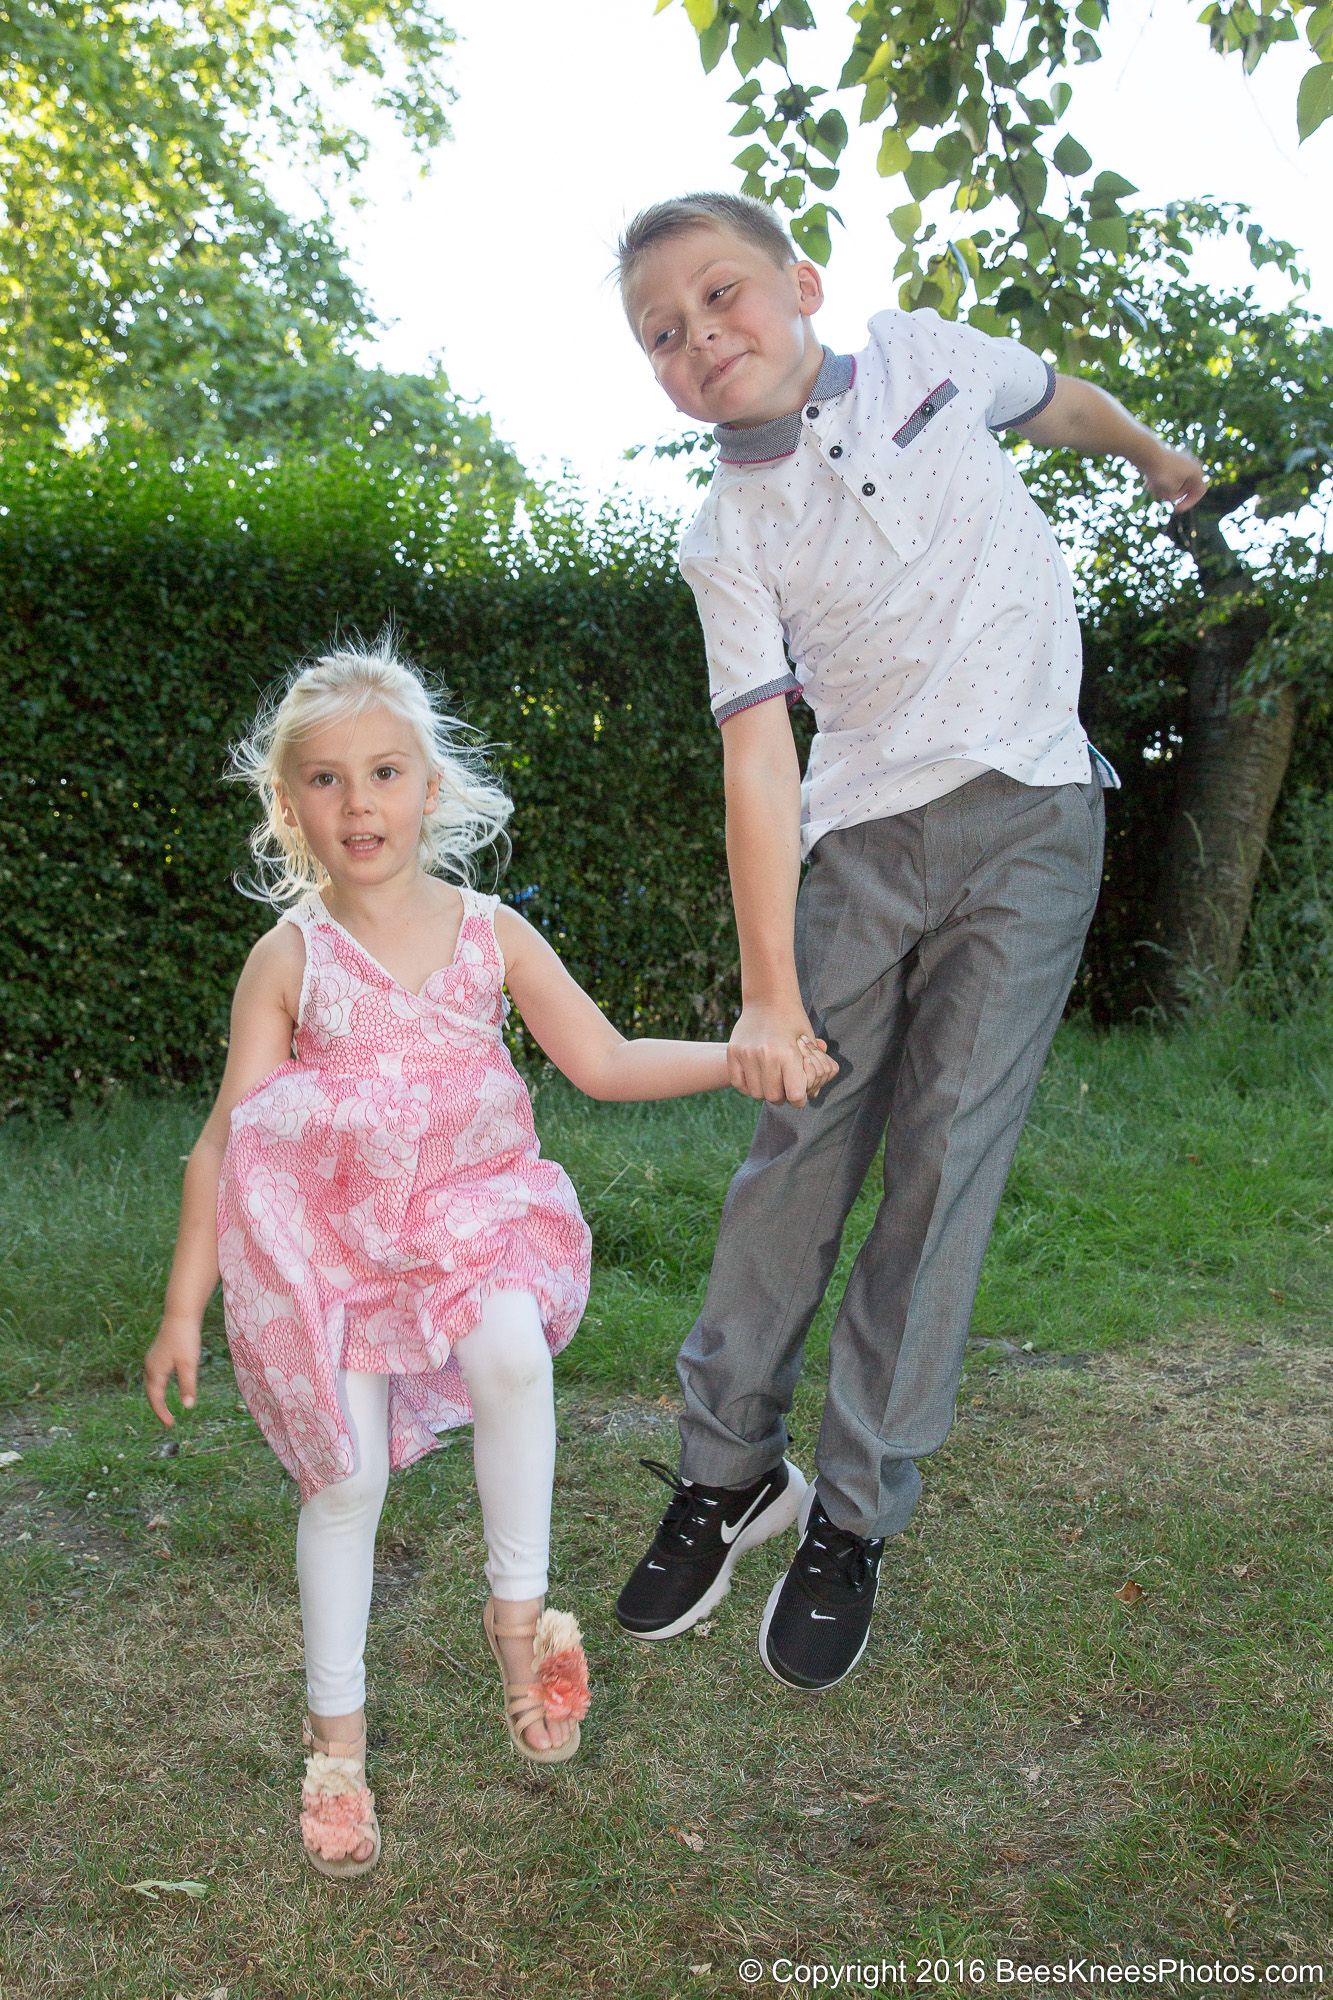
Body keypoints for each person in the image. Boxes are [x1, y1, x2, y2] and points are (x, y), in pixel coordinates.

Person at [612, 191, 1208, 1695]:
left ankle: (855, 1513)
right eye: (661, 335)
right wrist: (765, 993)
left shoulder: (927, 356)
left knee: (943, 1163)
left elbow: (1058, 397)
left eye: (721, 295)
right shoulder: (727, 532)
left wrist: (1145, 452)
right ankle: (731, 1471)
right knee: (793, 1153)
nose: (700, 339)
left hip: (1030, 822)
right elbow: (757, 758)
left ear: (802, 284)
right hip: (861, 845)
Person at [143, 634, 837, 1878]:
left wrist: (737, 1055)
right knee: (344, 1483)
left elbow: (607, 1059)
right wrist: (184, 1303)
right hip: (332, 1253)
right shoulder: (289, 958)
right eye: (325, 779)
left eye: (385, 771)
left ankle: (520, 1620)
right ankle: (335, 1742)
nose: (359, 802)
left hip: (470, 1218)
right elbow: (225, 1140)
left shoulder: (490, 932)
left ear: (431, 786)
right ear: (286, 804)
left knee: (512, 1351)